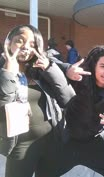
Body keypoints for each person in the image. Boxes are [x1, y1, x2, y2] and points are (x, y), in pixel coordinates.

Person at [40, 45, 104, 177]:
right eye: (103, 66)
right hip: (66, 141)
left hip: (95, 142)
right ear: (95, 65)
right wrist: (67, 69)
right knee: (43, 173)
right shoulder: (78, 78)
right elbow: (49, 62)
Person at [0, 24, 76, 177]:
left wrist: (50, 69)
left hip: (51, 140)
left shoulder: (39, 71)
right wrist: (8, 73)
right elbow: (2, 110)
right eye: (20, 41)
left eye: (32, 44)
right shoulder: (3, 71)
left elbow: (68, 99)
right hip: (20, 145)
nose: (26, 47)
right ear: (9, 42)